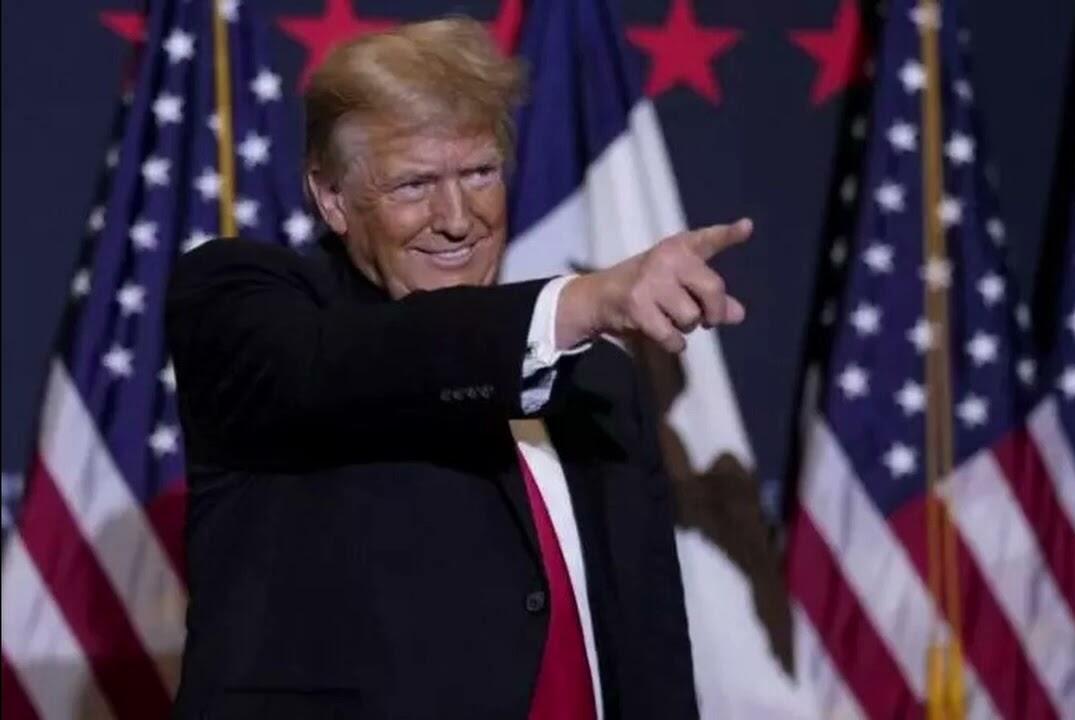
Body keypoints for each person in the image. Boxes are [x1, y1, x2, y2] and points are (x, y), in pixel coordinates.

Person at [166, 18, 751, 719]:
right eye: (414, 184)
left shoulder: (597, 379)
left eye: (479, 173)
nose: (456, 218)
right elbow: (364, 360)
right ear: (331, 197)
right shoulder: (244, 305)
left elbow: (648, 640)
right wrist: (579, 301)